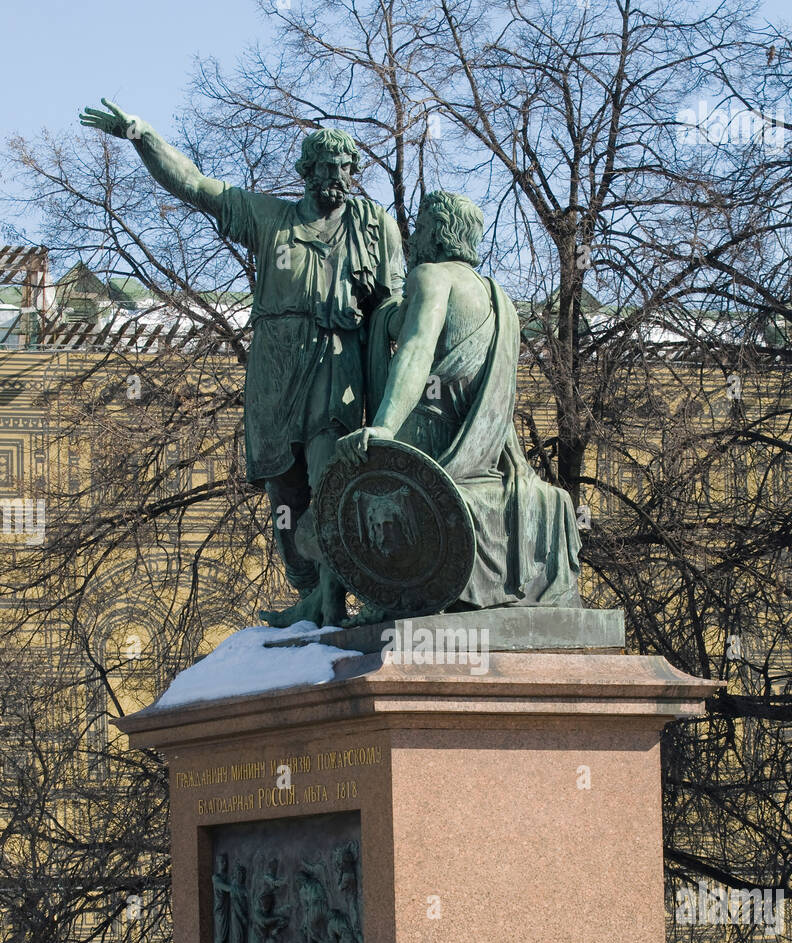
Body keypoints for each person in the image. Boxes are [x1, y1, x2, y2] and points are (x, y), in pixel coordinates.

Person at [79, 101, 405, 626]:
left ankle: (334, 595)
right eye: (324, 167)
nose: (335, 178)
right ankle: (308, 592)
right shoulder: (269, 218)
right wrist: (141, 135)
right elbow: (196, 186)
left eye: (344, 168)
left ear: (353, 173)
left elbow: (392, 306)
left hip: (335, 364)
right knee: (285, 493)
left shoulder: (374, 228)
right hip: (274, 374)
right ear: (306, 172)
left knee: (332, 475)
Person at [335, 191, 581, 612]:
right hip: (486, 452)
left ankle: (337, 601)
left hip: (428, 435)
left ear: (437, 233)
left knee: (339, 488)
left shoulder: (431, 277)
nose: (415, 238)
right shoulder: (497, 296)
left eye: (422, 227)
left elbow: (415, 351)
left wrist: (385, 427)